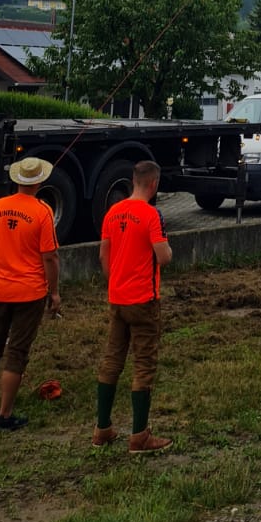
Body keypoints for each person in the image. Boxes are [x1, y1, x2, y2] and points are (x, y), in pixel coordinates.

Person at [0, 155, 60, 430]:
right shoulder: (43, 212)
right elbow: (49, 257)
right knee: (17, 352)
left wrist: (2, 249)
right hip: (30, 293)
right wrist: (54, 292)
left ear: (17, 180)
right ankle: (4, 415)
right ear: (40, 181)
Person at [94, 158, 173, 453]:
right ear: (154, 184)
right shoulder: (151, 215)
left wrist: (115, 281)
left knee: (112, 360)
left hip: (117, 297)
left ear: (133, 180)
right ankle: (139, 435)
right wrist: (168, 249)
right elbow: (163, 257)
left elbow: (103, 255)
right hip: (143, 299)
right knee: (144, 364)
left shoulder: (112, 212)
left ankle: (102, 428)